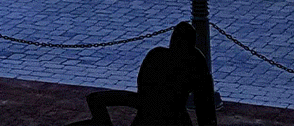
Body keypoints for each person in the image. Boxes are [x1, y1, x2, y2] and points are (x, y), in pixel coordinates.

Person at [81, 21, 216, 126]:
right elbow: (205, 108)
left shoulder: (156, 56)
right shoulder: (194, 63)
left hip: (146, 118)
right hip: (172, 119)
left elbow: (143, 91)